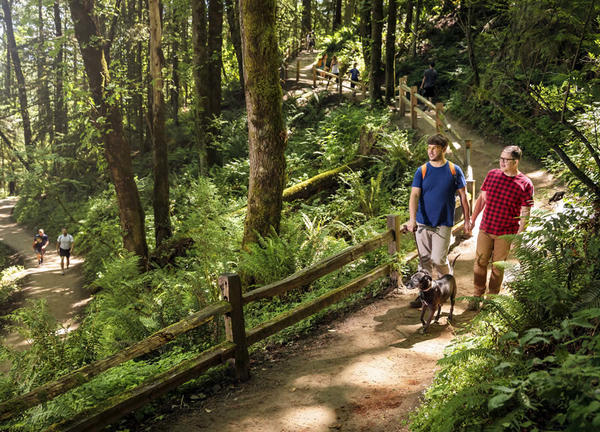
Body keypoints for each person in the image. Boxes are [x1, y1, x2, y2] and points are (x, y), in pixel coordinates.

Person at [406, 134, 472, 308]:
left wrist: (467, 220)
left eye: (434, 148)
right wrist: (412, 219)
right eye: (429, 148)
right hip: (422, 222)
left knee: (438, 259)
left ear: (444, 149)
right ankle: (425, 295)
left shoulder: (454, 170)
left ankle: (448, 287)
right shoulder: (422, 170)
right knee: (424, 261)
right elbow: (414, 195)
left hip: (443, 223)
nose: (431, 151)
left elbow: (464, 197)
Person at [469, 146, 534, 310]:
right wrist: (473, 219)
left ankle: (491, 300)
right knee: (479, 262)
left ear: (516, 161)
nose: (502, 162)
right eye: (501, 158)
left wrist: (519, 236)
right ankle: (477, 296)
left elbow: (525, 213)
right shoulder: (492, 175)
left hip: (505, 233)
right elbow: (481, 200)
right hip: (486, 228)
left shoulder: (525, 184)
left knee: (498, 267)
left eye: (507, 160)